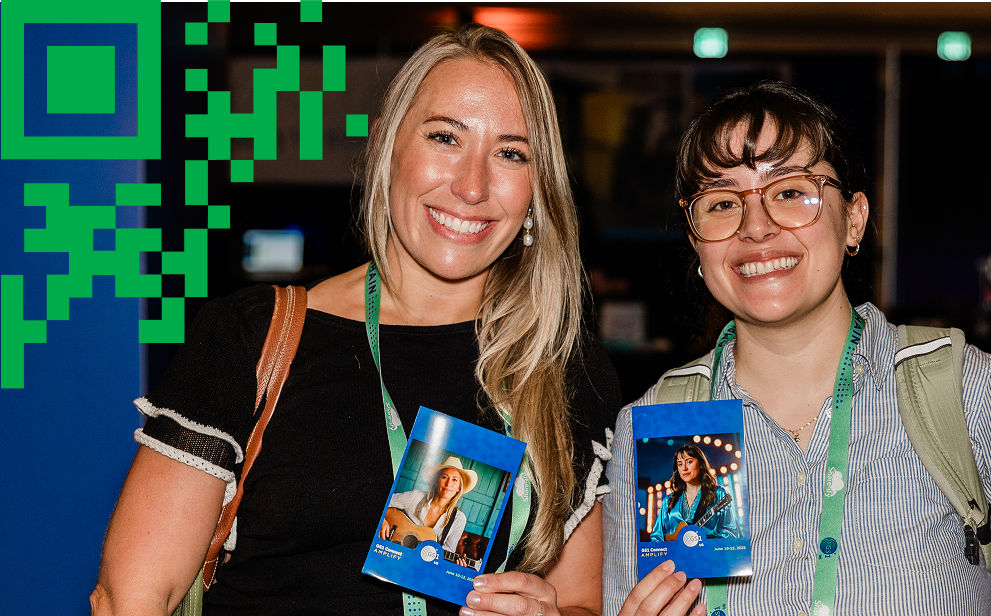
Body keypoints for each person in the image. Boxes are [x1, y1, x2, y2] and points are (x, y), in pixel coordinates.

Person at [90, 24, 620, 616]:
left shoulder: (562, 367)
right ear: (389, 147)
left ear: (537, 188)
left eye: (511, 152)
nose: (472, 185)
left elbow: (581, 601)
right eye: (446, 137)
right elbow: (131, 597)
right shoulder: (257, 339)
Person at [603, 81, 991, 616]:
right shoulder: (655, 426)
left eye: (790, 192)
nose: (757, 227)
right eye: (722, 203)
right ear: (697, 242)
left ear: (853, 219)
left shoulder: (967, 395)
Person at [382, 456, 477, 553]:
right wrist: (382, 521)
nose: (449, 483)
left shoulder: (459, 518)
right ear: (436, 482)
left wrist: (455, 563)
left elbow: (449, 551)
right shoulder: (415, 497)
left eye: (454, 480)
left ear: (458, 488)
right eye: (444, 477)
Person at [648, 444, 739, 542]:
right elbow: (656, 537)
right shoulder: (668, 501)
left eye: (689, 462)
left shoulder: (718, 493)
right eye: (680, 464)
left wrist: (703, 540)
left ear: (700, 464)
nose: (684, 468)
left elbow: (731, 533)